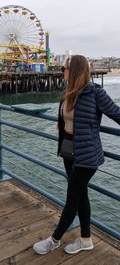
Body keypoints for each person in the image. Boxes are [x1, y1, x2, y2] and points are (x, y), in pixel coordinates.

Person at [33, 55, 120, 255]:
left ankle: (54, 239)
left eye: (64, 68)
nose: (61, 71)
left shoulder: (95, 92)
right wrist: (63, 125)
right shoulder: (68, 93)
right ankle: (86, 239)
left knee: (73, 197)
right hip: (68, 151)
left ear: (74, 71)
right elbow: (65, 119)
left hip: (87, 155)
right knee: (81, 196)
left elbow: (116, 113)